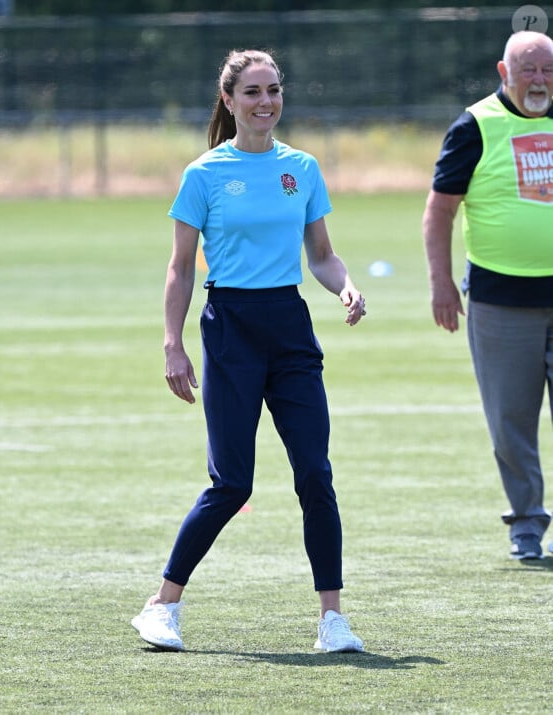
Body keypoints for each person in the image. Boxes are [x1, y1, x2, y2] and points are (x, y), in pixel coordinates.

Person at [131, 49, 367, 652]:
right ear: (230, 101)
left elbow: (321, 255)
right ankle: (162, 606)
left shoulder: (304, 168)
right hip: (230, 328)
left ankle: (332, 620)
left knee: (315, 472)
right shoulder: (204, 174)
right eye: (254, 92)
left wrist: (346, 287)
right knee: (232, 484)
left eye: (274, 90)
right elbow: (181, 268)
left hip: (289, 327)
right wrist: (172, 344)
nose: (266, 102)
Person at [422, 31, 553, 560]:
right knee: (510, 423)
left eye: (547, 70)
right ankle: (527, 524)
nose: (539, 80)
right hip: (500, 302)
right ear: (504, 72)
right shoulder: (475, 126)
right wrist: (441, 282)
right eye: (529, 71)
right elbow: (440, 211)